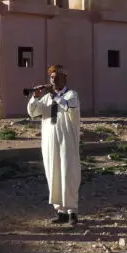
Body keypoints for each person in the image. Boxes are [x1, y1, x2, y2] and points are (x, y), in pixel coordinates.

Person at [27, 64, 82, 226]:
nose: (53, 80)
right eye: (51, 77)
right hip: (50, 143)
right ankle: (61, 212)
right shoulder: (46, 98)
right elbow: (32, 112)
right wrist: (35, 97)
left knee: (68, 173)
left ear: (64, 79)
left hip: (67, 142)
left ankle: (72, 212)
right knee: (54, 174)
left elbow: (67, 106)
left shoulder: (72, 95)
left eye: (56, 77)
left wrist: (54, 95)